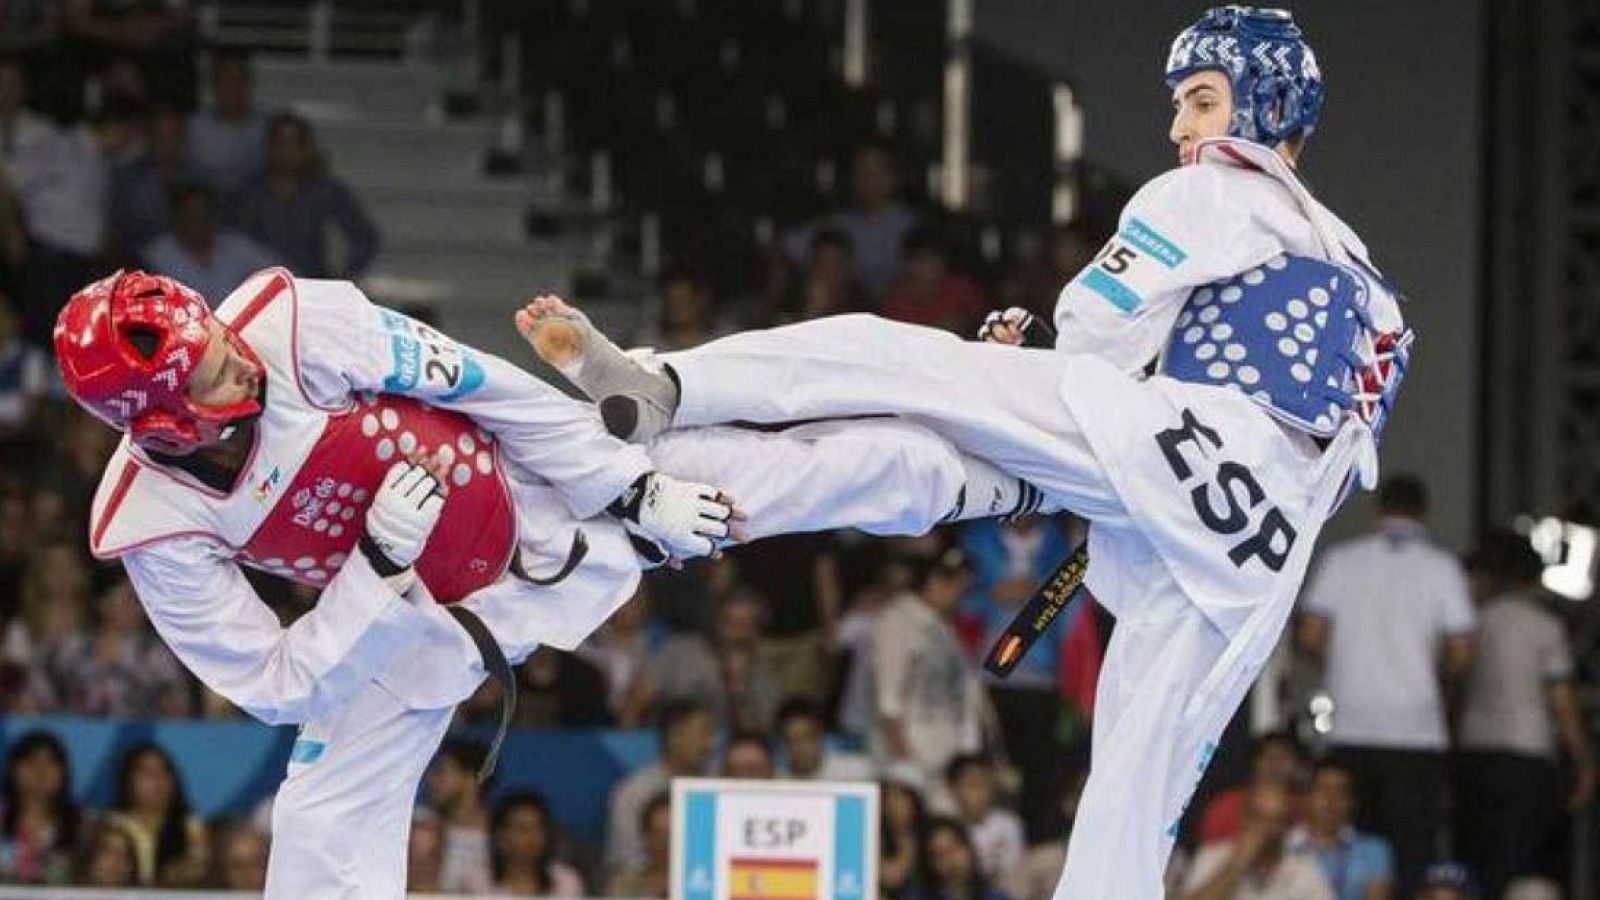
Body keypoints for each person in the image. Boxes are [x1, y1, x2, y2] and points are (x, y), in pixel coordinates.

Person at [520, 7, 1411, 896]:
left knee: (900, 363)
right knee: (1137, 785)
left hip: (1166, 441)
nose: (1182, 128)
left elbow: (1102, 320)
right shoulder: (1368, 281)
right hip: (1254, 544)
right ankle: (661, 472)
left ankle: (667, 394)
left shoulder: (1220, 185)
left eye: (1203, 101)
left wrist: (1033, 376)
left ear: (1263, 106)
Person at [57, 264, 1014, 897]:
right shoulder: (154, 526)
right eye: (217, 378)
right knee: (319, 809)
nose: (240, 364)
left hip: (544, 487)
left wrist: (634, 492)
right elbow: (275, 685)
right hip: (413, 623)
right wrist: (376, 569)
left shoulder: (297, 321)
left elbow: (488, 386)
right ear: (162, 422)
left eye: (226, 342)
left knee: (792, 476)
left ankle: (997, 450)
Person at [1297, 475, 1475, 893]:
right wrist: (1435, 676)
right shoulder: (1441, 567)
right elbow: (1463, 652)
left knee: (1350, 848)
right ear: (1424, 513)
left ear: (1377, 510)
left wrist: (1340, 664)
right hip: (1416, 732)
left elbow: (1308, 633)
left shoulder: (1342, 560)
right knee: (1412, 854)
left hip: (1352, 724)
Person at [1456, 530, 1594, 899]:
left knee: (1478, 859)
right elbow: (1561, 699)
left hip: (1475, 749)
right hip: (1527, 754)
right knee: (1522, 863)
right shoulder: (1543, 626)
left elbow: (1453, 681)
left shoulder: (1473, 622)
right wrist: (1582, 761)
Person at [873, 547, 988, 787]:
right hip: (914, 756)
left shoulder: (949, 626)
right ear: (931, 581)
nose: (959, 592)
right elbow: (888, 702)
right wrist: (906, 764)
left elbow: (967, 693)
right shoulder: (897, 620)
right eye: (952, 583)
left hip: (952, 759)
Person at [235, 112, 380, 280]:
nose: (287, 151)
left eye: (295, 143)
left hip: (312, 283)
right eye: (280, 143)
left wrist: (344, 278)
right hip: (259, 287)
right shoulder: (248, 193)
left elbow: (365, 237)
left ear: (307, 148)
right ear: (267, 146)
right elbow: (230, 244)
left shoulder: (325, 191)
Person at [605, 700, 714, 877]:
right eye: (703, 733)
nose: (709, 744)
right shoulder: (633, 792)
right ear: (674, 736)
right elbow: (624, 860)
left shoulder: (713, 790)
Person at [1181, 780, 1334, 900]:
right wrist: (1236, 865)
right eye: (1259, 818)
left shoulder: (1302, 868)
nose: (1266, 828)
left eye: (1276, 820)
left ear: (1286, 827)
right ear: (1244, 819)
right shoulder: (1212, 856)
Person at [140, 182, 277, 304]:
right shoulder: (156, 256)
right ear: (177, 217)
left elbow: (281, 274)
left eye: (204, 213)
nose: (199, 221)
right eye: (191, 214)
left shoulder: (238, 246)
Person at [1286, 761, 1395, 900]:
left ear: (1352, 802)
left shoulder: (1372, 850)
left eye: (1341, 791)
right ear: (1306, 797)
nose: (1332, 799)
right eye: (1323, 789)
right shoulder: (1281, 846)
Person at [104, 743, 209, 887]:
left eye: (164, 772)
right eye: (146, 773)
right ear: (128, 780)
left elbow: (199, 867)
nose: (157, 780)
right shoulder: (111, 826)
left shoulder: (191, 827)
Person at [0, 731, 82, 884]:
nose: (41, 772)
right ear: (13, 769)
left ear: (63, 772)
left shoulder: (82, 823)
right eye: (31, 762)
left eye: (50, 763)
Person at [946, 753, 1025, 894]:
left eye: (985, 784)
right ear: (954, 789)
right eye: (972, 784)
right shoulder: (946, 829)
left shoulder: (1009, 823)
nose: (980, 792)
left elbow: (1013, 867)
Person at [422, 739, 492, 894]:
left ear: (471, 778)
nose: (430, 780)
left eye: (440, 771)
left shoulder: (502, 836)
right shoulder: (420, 829)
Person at [487, 792, 584, 897]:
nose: (531, 838)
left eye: (537, 828)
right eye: (522, 829)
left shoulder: (567, 882)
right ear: (500, 837)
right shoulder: (478, 885)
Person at [911, 816, 1014, 900]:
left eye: (955, 846)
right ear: (930, 863)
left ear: (970, 849)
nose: (951, 857)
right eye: (940, 853)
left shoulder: (996, 896)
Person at [775, 695, 876, 781]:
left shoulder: (856, 770)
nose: (801, 747)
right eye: (793, 740)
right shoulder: (780, 782)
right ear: (783, 744)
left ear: (820, 735)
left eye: (807, 738)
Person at [605, 792, 670, 899]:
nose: (664, 841)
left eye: (671, 833)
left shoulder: (701, 883)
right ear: (645, 837)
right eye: (658, 833)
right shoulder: (624, 884)